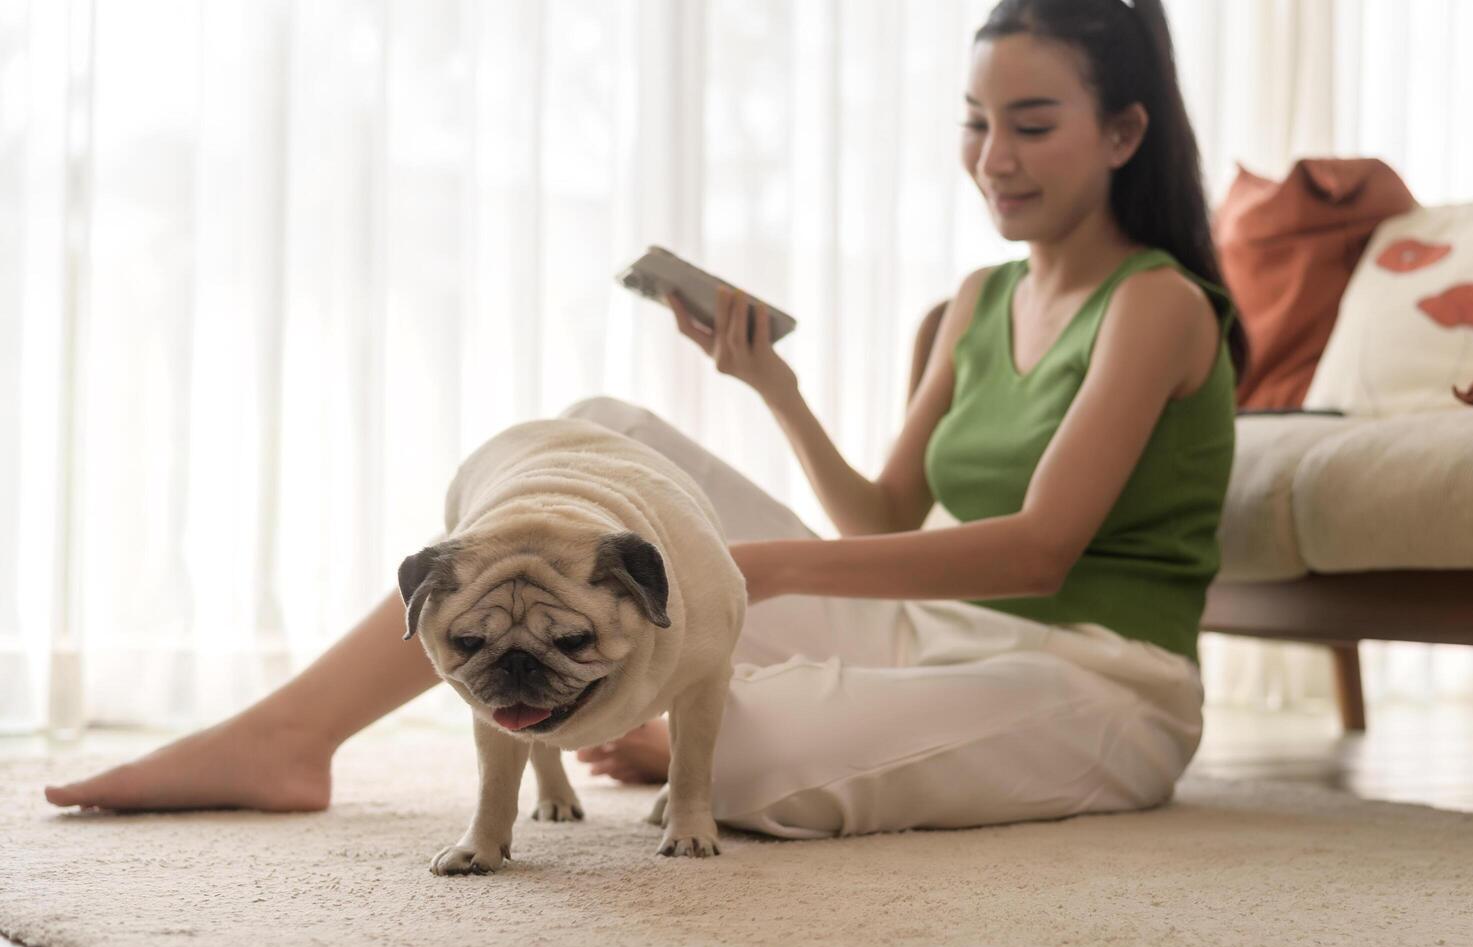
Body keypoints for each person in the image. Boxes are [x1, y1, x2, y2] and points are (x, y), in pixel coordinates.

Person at [45, 0, 1246, 840]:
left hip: (1104, 682)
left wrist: (754, 570)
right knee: (597, 429)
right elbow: (883, 513)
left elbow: (1037, 550)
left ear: (1125, 133)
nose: (993, 158)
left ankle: (699, 740)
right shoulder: (976, 302)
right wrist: (774, 388)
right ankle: (289, 734)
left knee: (743, 759)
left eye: (1031, 125)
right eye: (975, 123)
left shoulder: (1157, 308)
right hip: (938, 632)